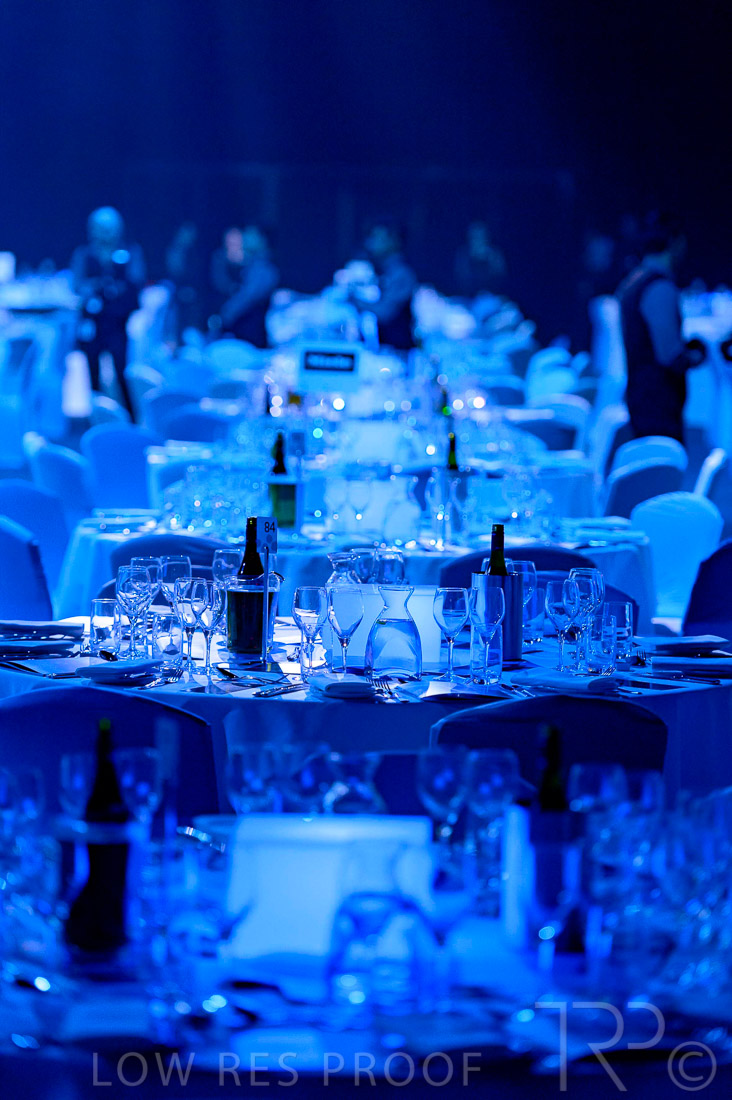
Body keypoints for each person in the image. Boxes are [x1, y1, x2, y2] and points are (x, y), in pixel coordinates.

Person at [615, 212, 705, 442]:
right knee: (665, 461)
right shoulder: (659, 287)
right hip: (657, 401)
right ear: (674, 241)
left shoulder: (634, 280)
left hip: (640, 394)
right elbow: (670, 355)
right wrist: (697, 355)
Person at [71, 207, 145, 420]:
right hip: (92, 325)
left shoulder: (130, 252)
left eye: (109, 228)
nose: (104, 233)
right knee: (92, 374)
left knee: (121, 371)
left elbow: (135, 284)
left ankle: (132, 420)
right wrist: (98, 287)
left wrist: (115, 290)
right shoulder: (84, 255)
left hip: (117, 324)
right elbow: (77, 285)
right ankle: (96, 420)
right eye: (99, 228)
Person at [352, 219, 417, 351]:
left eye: (377, 237)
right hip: (381, 350)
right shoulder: (379, 272)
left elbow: (385, 312)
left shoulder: (401, 274)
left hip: (396, 353)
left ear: (394, 240)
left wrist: (353, 299)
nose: (369, 243)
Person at [212, 225, 279, 348]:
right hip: (240, 334)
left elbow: (248, 296)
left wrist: (225, 316)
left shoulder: (262, 269)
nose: (244, 240)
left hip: (252, 337)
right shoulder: (242, 266)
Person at [454, 220, 507, 298]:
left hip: (493, 298)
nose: (478, 239)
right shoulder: (463, 255)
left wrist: (491, 261)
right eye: (474, 236)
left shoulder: (495, 255)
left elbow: (500, 279)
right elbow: (461, 280)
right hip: (468, 299)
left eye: (480, 236)